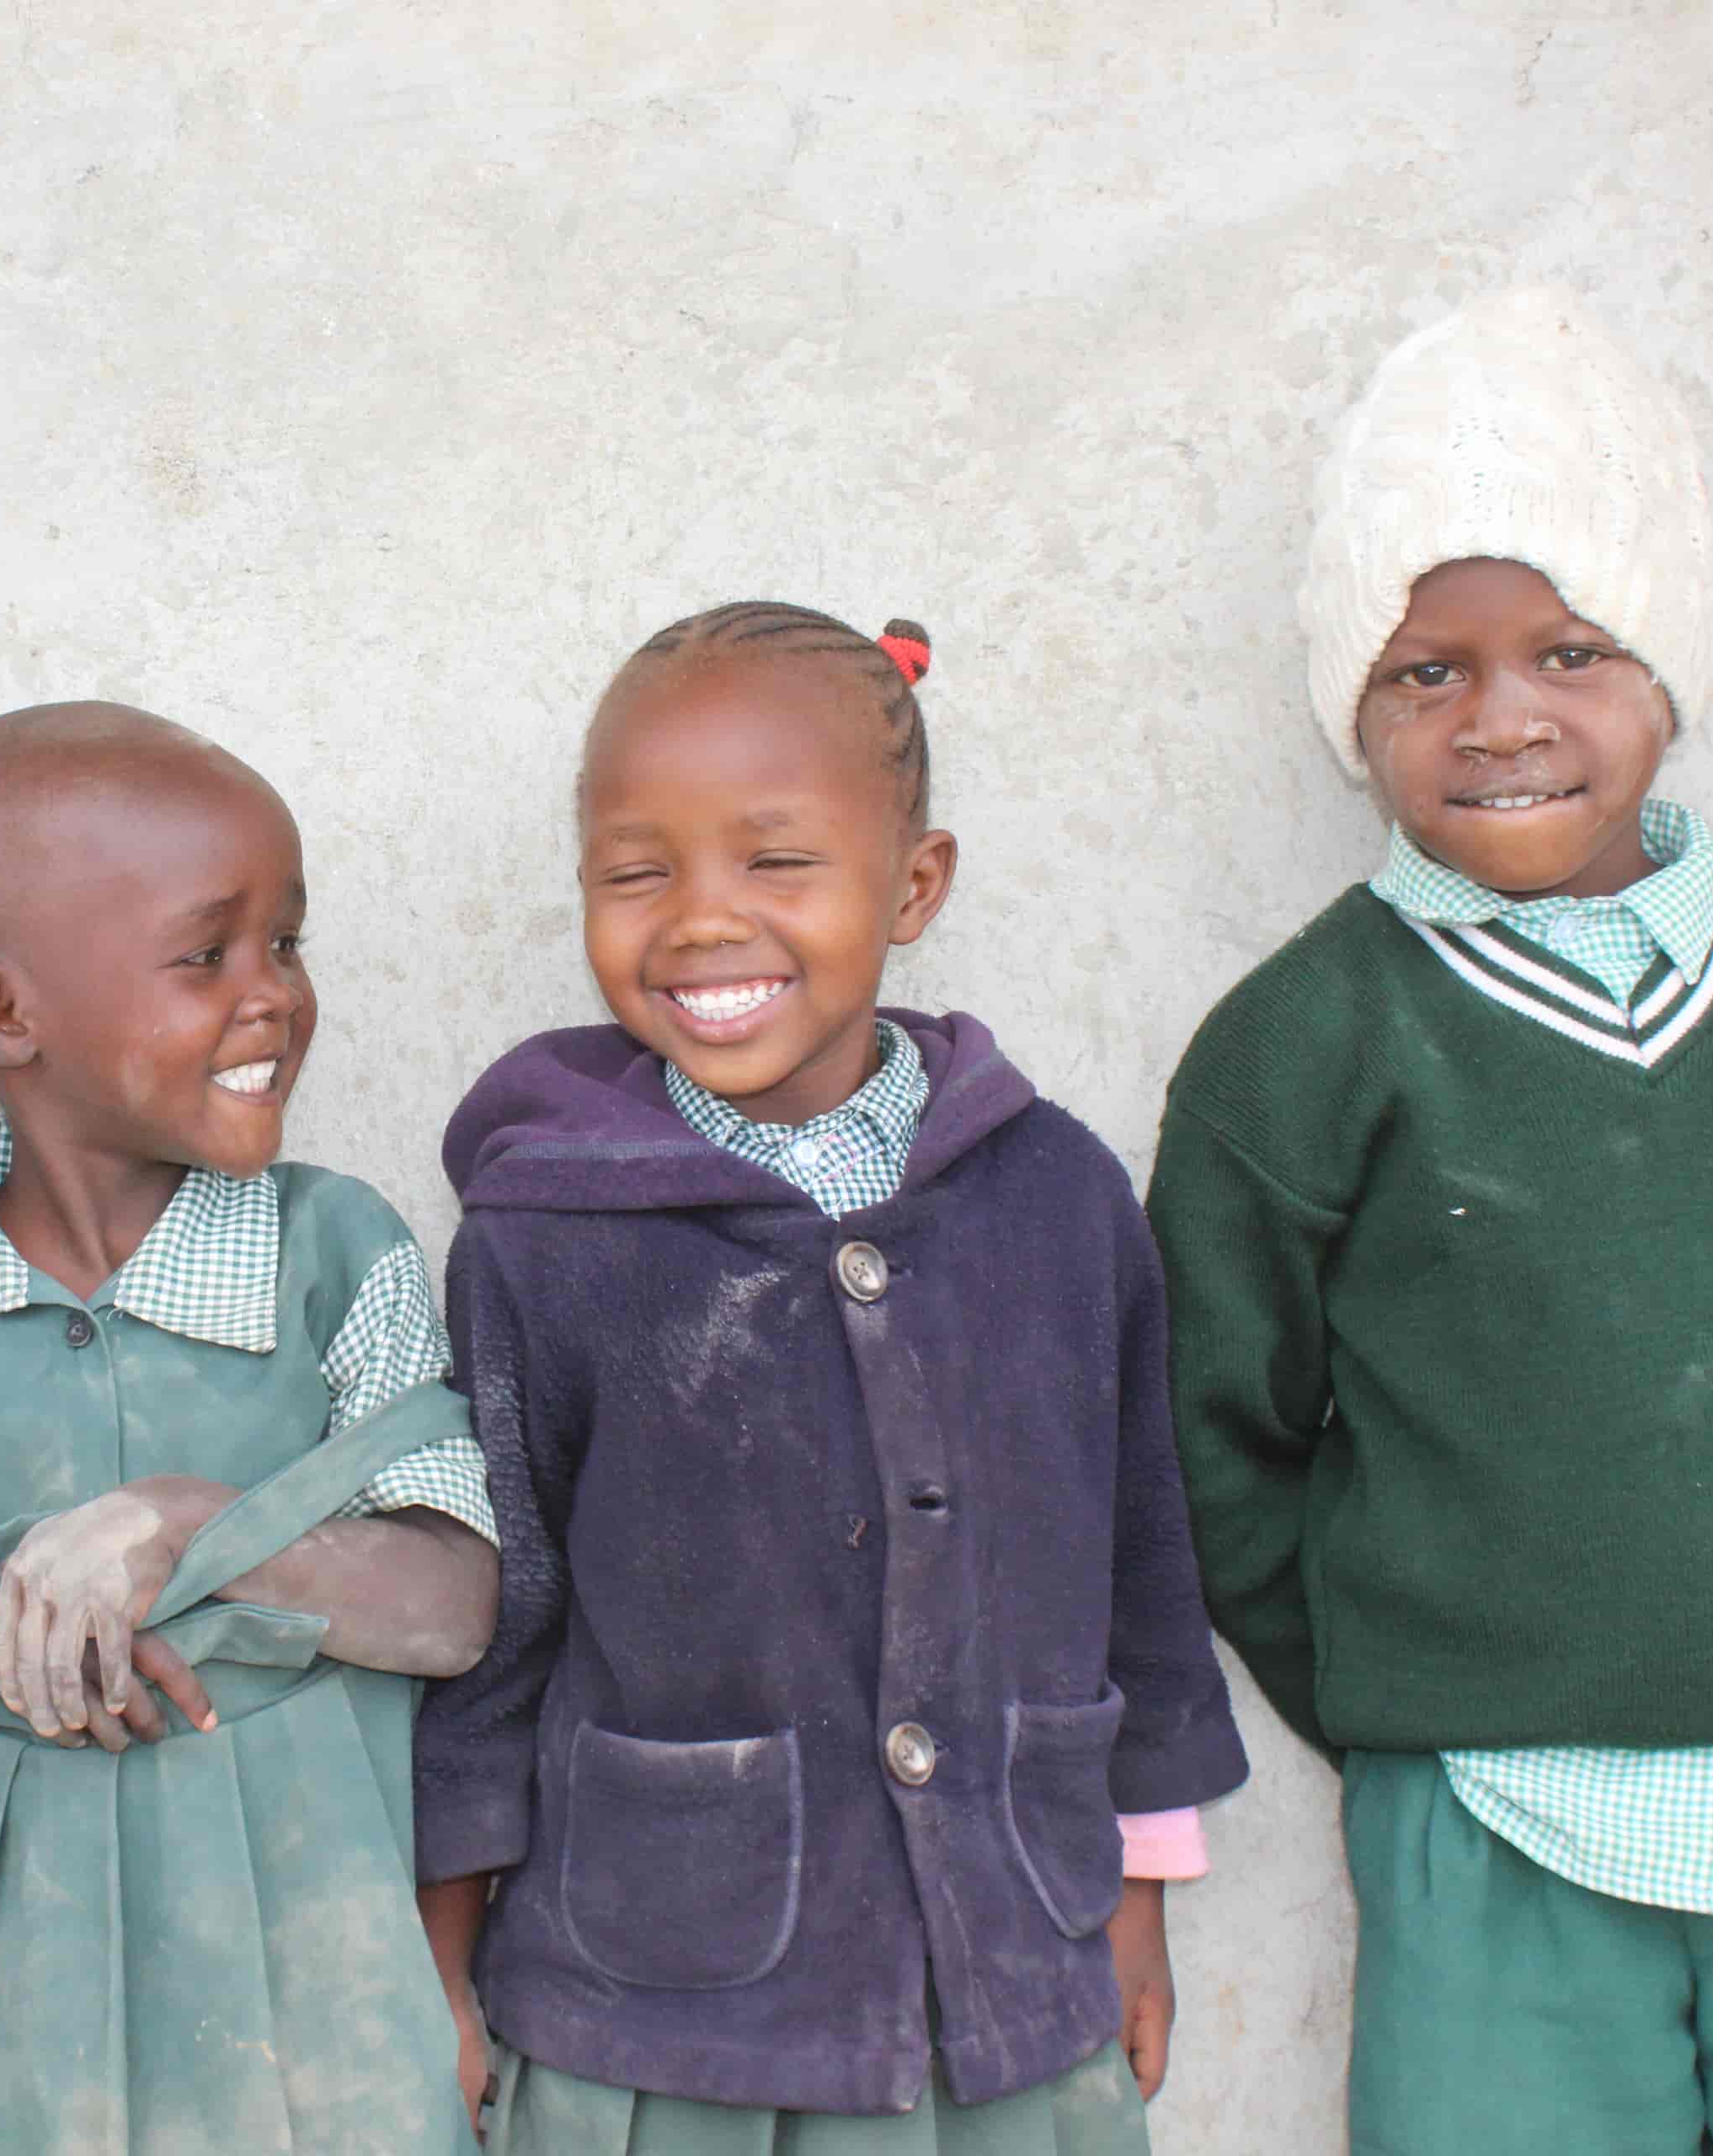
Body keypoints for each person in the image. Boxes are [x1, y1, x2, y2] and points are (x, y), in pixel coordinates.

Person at [1148, 288, 1713, 2153]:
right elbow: (1216, 1437)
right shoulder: (1299, 1043)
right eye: (1428, 671)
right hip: (1496, 1812)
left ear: (1668, 666)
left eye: (1568, 648)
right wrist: (1421, 1678)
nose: (1502, 719)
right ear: (1356, 704)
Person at [416, 605, 1246, 2154]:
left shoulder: (1056, 1195)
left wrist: (1132, 1891)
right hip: (665, 2020)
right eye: (636, 870)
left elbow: (1136, 1555)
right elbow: (491, 1625)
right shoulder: (542, 1238)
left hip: (1011, 1976)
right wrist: (443, 1961)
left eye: (776, 860)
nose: (702, 920)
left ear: (915, 884)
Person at [0, 701, 501, 2154]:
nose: (274, 995)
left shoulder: (332, 1253)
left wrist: (184, 1528)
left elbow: (453, 1604)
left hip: (308, 1991)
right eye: (208, 953)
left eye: (286, 943)